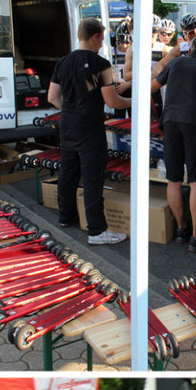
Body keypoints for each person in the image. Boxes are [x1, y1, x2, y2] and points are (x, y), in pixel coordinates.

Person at [47, 18, 131, 246]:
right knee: (92, 178)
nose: (102, 43)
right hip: (90, 127)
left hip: (67, 124)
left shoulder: (63, 62)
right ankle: (96, 231)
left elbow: (52, 97)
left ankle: (65, 217)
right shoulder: (101, 64)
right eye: (102, 38)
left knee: (68, 172)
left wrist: (71, 107)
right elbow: (112, 100)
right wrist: (135, 101)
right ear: (95, 37)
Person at [151, 34, 196, 251]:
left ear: (189, 49)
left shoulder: (175, 63)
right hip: (194, 122)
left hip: (169, 121)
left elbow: (153, 86)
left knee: (174, 178)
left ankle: (180, 229)